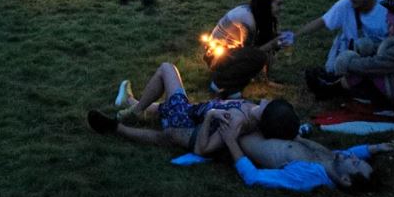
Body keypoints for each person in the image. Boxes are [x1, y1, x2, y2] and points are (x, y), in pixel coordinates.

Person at [86, 62, 299, 155]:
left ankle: (123, 121)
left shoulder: (238, 122)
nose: (268, 100)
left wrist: (211, 116)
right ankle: (131, 103)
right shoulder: (253, 109)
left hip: (185, 121)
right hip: (191, 110)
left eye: (271, 104)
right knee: (164, 110)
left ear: (268, 114)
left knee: (167, 69)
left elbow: (203, 149)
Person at [221, 111, 394, 193]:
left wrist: (230, 141)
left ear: (345, 180)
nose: (352, 156)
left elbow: (253, 178)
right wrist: (374, 148)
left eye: (355, 162)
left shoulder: (307, 178)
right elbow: (349, 153)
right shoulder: (332, 160)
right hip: (264, 123)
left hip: (244, 131)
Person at [297, 0, 389, 97]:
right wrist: (295, 35)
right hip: (350, 52)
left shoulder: (386, 9)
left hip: (380, 55)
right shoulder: (345, 5)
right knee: (335, 71)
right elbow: (322, 21)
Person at [204, 0, 288, 96]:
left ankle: (258, 79)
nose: (281, 8)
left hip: (229, 54)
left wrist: (276, 37)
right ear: (266, 4)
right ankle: (220, 83)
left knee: (268, 45)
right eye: (278, 4)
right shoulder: (247, 19)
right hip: (216, 57)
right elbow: (250, 53)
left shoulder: (257, 13)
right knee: (259, 56)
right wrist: (273, 43)